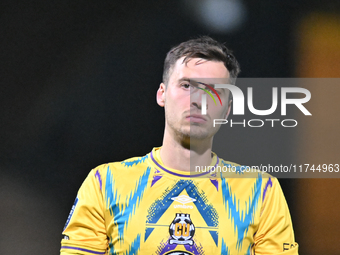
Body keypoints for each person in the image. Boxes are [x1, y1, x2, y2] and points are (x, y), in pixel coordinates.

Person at [60, 36, 299, 255]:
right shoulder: (104, 184)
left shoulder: (261, 192)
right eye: (186, 86)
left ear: (226, 110)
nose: (198, 101)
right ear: (161, 94)